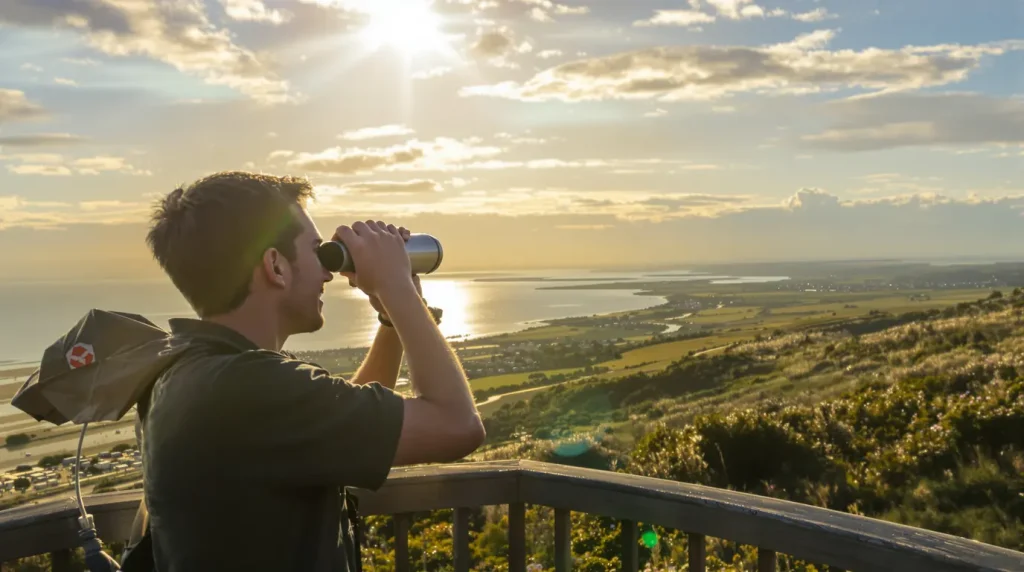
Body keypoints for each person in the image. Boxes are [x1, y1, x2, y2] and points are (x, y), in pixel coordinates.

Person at [133, 171, 485, 571]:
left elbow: (336, 425)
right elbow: (458, 424)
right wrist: (396, 286)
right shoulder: (251, 387)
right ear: (275, 266)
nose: (328, 272)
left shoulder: (190, 371)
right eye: (318, 253)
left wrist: (391, 318)